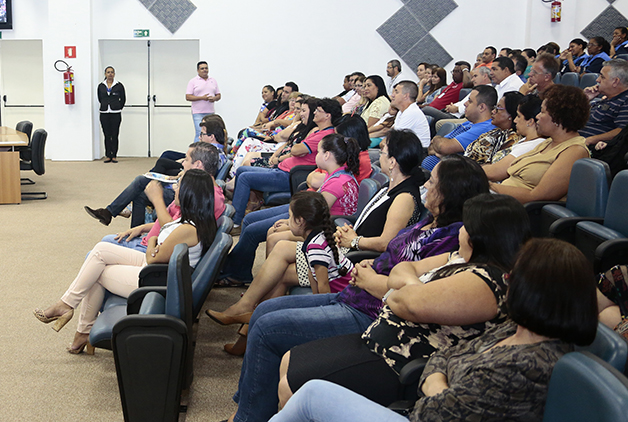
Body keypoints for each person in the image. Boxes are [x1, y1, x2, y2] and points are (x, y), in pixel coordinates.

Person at [219, 167, 496, 422]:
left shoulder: (451, 237)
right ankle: (247, 410)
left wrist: (375, 278)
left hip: (371, 311)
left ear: (450, 193)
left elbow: (411, 293)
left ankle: (246, 418)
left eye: (433, 182)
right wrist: (374, 269)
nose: (426, 184)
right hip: (359, 293)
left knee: (268, 328)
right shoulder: (430, 223)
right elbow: (403, 268)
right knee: (264, 312)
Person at [270, 238, 597, 422]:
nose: (507, 281)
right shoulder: (512, 329)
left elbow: (432, 411)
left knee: (312, 394)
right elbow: (447, 356)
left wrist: (436, 383)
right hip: (430, 402)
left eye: (515, 278)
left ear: (535, 293)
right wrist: (439, 381)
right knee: (309, 390)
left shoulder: (525, 364)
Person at [277, 193, 532, 412]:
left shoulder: (487, 281)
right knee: (289, 360)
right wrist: (412, 289)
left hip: (400, 361)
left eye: (467, 225)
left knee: (291, 386)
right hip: (380, 339)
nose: (461, 230)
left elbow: (403, 303)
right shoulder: (458, 257)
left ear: (484, 236)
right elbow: (403, 269)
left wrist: (404, 292)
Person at [34, 169, 217, 354]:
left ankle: (78, 325)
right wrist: (156, 239)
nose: (175, 189)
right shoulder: (193, 221)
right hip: (159, 270)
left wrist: (154, 240)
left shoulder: (188, 229)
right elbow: (160, 244)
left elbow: (153, 257)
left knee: (96, 272)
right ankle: (68, 308)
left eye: (179, 186)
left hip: (155, 278)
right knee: (99, 250)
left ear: (189, 194)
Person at [208, 135, 362, 323]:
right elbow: (310, 181)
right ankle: (254, 310)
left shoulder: (337, 182)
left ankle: (250, 307)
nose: (316, 155)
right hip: (318, 227)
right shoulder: (337, 175)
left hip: (326, 235)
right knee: (269, 234)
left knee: (276, 240)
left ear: (328, 155)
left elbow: (317, 215)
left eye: (320, 151)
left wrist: (291, 223)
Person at [84, 120, 223, 227]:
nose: (199, 136)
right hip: (183, 184)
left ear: (211, 137)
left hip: (183, 190)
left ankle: (110, 213)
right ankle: (125, 224)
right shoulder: (210, 153)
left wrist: (177, 180)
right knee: (142, 187)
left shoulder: (214, 155)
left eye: (202, 134)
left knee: (141, 181)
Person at [230, 98, 341, 226]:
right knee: (242, 170)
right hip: (282, 169)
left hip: (289, 175)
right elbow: (294, 147)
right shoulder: (316, 131)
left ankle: (236, 222)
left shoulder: (323, 135)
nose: (315, 113)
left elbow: (295, 149)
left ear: (327, 115)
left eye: (318, 111)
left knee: (245, 177)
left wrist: (296, 148)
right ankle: (237, 210)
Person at [491, 85, 590, 203]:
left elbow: (538, 196)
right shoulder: (548, 143)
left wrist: (490, 187)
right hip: (502, 200)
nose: (537, 116)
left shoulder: (575, 151)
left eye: (542, 112)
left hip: (520, 210)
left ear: (557, 118)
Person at [334, 130, 425, 255]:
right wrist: (346, 233)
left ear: (392, 162)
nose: (380, 156)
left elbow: (386, 242)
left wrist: (354, 241)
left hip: (360, 258)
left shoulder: (404, 198)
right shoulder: (390, 186)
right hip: (352, 247)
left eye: (382, 153)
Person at [422, 85, 497, 170]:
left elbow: (443, 146)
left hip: (444, 177)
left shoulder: (484, 129)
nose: (465, 104)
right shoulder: (470, 122)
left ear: (481, 107)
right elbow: (434, 146)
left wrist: (439, 144)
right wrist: (439, 148)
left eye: (470, 101)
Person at [463, 91, 524, 164]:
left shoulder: (512, 140)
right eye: (495, 107)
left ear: (510, 114)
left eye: (499, 108)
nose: (493, 111)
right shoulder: (496, 131)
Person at [580, 59, 628, 151]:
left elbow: (622, 131)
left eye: (602, 77)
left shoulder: (625, 100)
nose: (597, 80)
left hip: (590, 149)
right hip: (574, 142)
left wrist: (590, 140)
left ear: (615, 81)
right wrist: (584, 99)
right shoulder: (602, 101)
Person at [186, 61, 221, 143]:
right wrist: (202, 98)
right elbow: (188, 96)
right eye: (202, 68)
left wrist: (214, 98)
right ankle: (194, 153)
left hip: (211, 113)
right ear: (198, 70)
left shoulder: (213, 80)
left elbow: (218, 95)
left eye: (206, 68)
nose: (204, 70)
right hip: (198, 113)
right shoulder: (193, 81)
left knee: (211, 134)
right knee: (200, 134)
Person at [97, 66, 125, 163]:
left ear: (114, 74)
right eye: (108, 72)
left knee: (115, 134)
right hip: (104, 113)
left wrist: (117, 107)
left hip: (115, 113)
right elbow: (100, 98)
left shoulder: (119, 85)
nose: (110, 74)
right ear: (105, 74)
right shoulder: (101, 86)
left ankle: (114, 155)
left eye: (112, 72)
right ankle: (108, 155)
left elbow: (123, 99)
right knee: (107, 135)